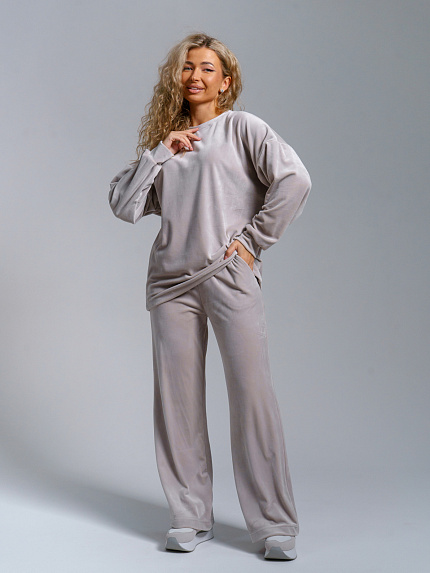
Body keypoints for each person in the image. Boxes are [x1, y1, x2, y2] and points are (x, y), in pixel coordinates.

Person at [108, 32, 312, 561]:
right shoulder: (168, 143)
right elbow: (124, 207)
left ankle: (273, 523)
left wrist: (253, 241)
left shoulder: (243, 128)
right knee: (177, 404)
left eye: (206, 68)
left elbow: (295, 180)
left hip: (228, 274)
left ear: (226, 81)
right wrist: (160, 152)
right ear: (175, 78)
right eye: (186, 67)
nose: (195, 76)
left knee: (252, 397)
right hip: (169, 285)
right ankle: (190, 515)